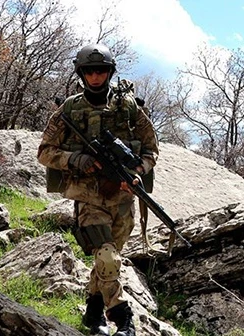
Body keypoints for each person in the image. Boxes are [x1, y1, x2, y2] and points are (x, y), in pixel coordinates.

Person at [38, 43, 159, 336]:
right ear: (81, 74)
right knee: (107, 258)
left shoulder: (129, 108)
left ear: (109, 72)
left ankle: (93, 316)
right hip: (87, 197)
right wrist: (75, 159)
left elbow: (152, 150)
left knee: (108, 262)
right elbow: (44, 152)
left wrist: (138, 171)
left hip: (122, 197)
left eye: (101, 71)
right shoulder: (70, 109)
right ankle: (123, 318)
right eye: (89, 71)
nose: (95, 77)